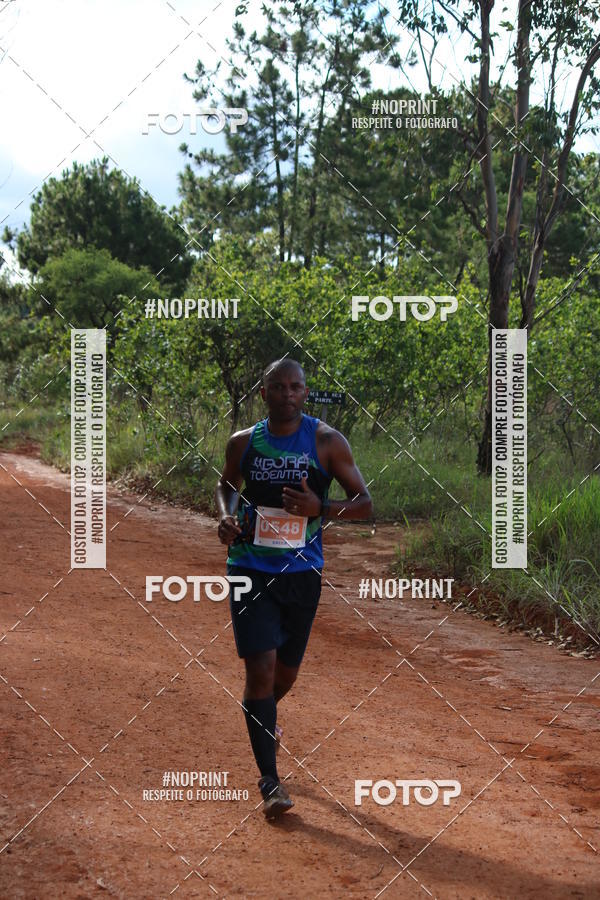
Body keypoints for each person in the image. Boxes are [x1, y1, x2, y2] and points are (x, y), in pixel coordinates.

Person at [215, 359, 373, 819]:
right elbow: (226, 486)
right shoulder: (243, 442)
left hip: (302, 574)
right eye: (278, 387)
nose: (287, 394)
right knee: (260, 672)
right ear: (263, 392)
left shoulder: (326, 442)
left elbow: (365, 505)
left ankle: (260, 715)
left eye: (296, 387)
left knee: (284, 678)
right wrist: (226, 517)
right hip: (249, 568)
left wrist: (318, 507)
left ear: (306, 393)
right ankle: (270, 781)